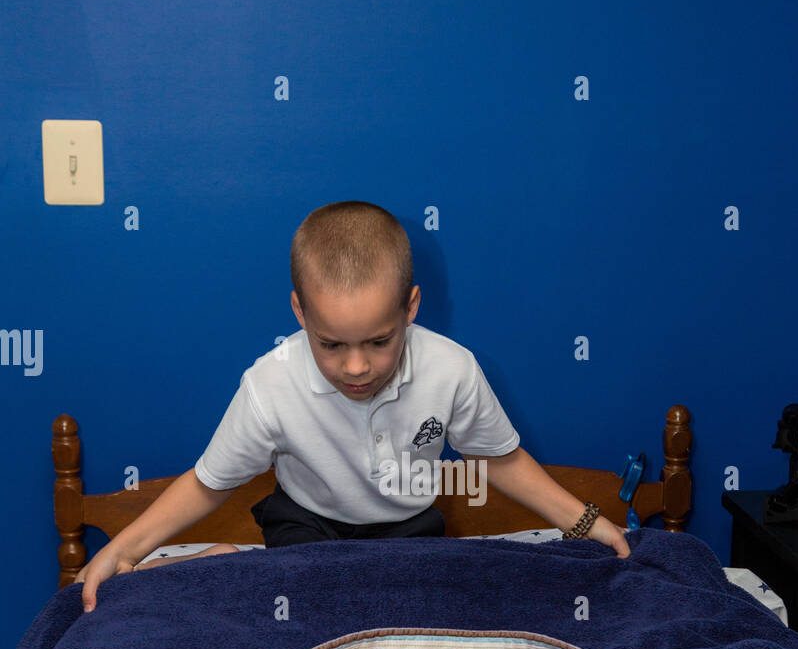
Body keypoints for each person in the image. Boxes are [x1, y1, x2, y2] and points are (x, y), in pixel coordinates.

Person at [76, 201, 630, 611]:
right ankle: (234, 562)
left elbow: (499, 460)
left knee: (419, 619)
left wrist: (586, 522)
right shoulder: (269, 385)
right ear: (300, 313)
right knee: (295, 619)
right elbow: (207, 482)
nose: (357, 367)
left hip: (406, 530)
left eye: (379, 342)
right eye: (332, 345)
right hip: (306, 529)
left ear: (411, 306)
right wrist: (123, 551)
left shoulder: (452, 369)